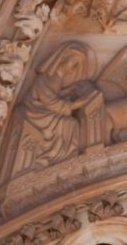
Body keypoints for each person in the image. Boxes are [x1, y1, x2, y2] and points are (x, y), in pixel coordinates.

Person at [12, 42, 103, 173]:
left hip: (46, 111)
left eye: (77, 64)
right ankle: (54, 158)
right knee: (69, 123)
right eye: (74, 62)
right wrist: (80, 102)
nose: (75, 67)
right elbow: (53, 103)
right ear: (63, 57)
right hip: (36, 112)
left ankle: (63, 158)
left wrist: (70, 90)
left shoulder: (57, 78)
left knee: (70, 123)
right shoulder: (43, 78)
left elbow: (54, 94)